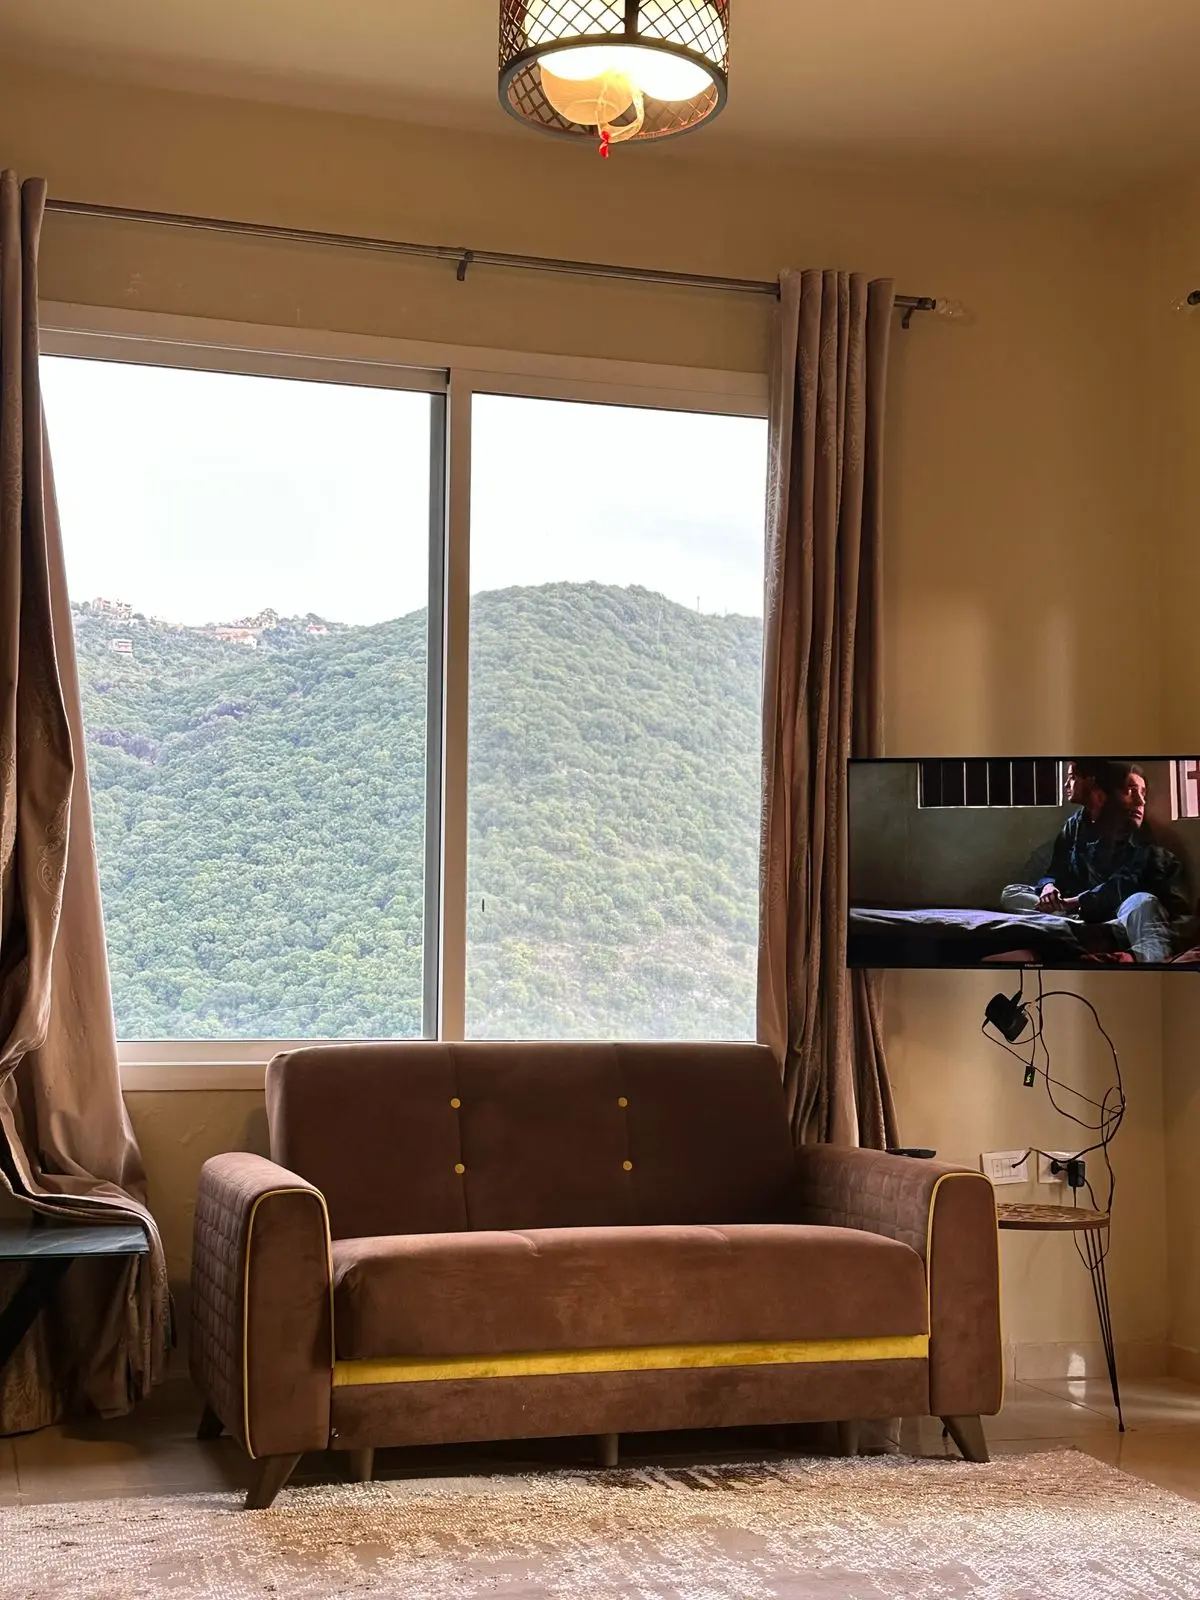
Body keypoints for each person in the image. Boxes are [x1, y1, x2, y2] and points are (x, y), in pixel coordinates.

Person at [1001, 760, 1189, 962]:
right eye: (1131, 791)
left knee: (1143, 901)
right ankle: (1078, 926)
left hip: (1119, 911)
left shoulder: (1139, 836)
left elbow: (1118, 887)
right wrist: (1049, 888)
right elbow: (1056, 869)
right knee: (1012, 893)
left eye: (1142, 793)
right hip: (1080, 910)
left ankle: (1100, 937)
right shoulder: (1075, 825)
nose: (1140, 801)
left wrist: (1069, 903)